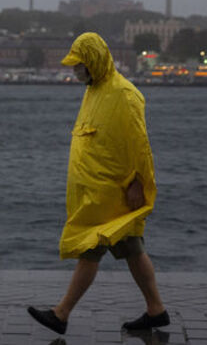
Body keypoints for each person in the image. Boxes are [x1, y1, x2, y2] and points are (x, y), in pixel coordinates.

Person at [28, 32, 168, 335]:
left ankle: (61, 314)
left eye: (80, 64)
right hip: (96, 194)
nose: (75, 70)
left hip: (113, 195)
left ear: (93, 61)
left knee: (90, 251)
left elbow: (139, 145)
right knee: (133, 251)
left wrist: (138, 183)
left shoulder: (124, 94)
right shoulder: (94, 90)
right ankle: (156, 310)